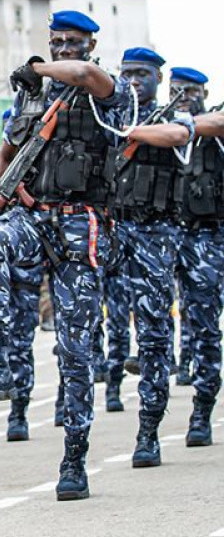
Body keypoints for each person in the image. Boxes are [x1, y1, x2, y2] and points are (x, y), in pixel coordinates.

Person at [0, 12, 188, 500]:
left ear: (90, 45)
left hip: (81, 224)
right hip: (35, 216)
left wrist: (37, 66)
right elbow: (5, 151)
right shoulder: (31, 97)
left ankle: (74, 456)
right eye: (56, 43)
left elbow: (86, 77)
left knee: (75, 349)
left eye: (73, 42)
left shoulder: (109, 94)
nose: (64, 48)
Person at [102, 48, 194, 468]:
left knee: (154, 334)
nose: (135, 80)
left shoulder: (170, 114)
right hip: (110, 230)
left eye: (143, 74)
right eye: (128, 73)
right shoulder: (106, 112)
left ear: (159, 78)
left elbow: (179, 136)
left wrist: (132, 132)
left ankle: (149, 430)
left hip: (156, 234)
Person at [175, 68, 222, 447]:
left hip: (217, 232)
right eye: (176, 89)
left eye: (190, 89)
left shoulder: (211, 128)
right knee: (202, 326)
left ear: (204, 91)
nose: (184, 95)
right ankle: (202, 411)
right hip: (184, 238)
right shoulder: (164, 132)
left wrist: (185, 124)